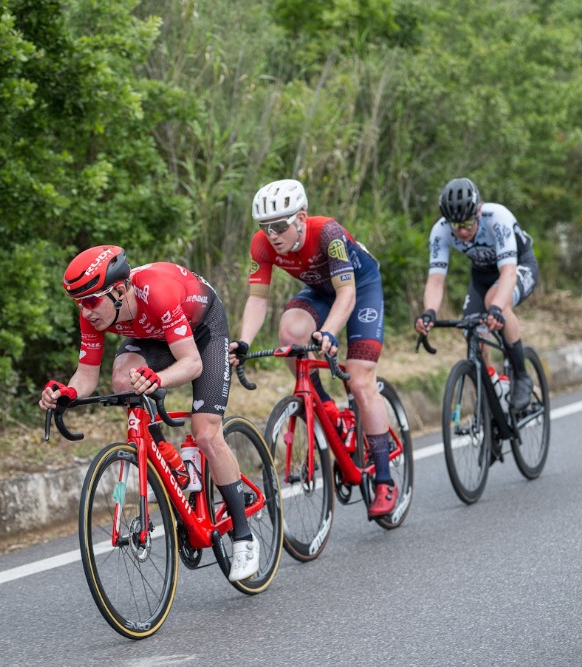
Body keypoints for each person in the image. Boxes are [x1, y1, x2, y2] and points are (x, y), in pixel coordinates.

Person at [39, 245, 260, 582]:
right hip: (154, 337)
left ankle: (244, 537)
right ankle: (169, 459)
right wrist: (65, 394)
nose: (85, 312)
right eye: (78, 304)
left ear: (120, 290)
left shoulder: (155, 292)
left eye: (90, 301)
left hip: (202, 334)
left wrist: (159, 379)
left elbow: (192, 363)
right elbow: (86, 377)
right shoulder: (94, 314)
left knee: (205, 432)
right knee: (122, 377)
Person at [229, 179, 398, 519]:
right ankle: (325, 407)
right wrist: (244, 341)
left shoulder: (328, 234)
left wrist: (330, 332)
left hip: (360, 288)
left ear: (301, 218)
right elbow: (257, 300)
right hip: (321, 291)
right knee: (290, 335)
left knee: (361, 380)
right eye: (265, 227)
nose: (272, 234)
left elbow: (347, 294)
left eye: (280, 225)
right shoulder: (262, 245)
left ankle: (384, 479)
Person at [413, 177, 539, 409]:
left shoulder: (497, 218)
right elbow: (436, 280)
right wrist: (429, 311)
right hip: (482, 276)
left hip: (519, 266)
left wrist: (496, 308)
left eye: (467, 223)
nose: (461, 231)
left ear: (478, 212)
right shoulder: (440, 231)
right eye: (455, 225)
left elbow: (509, 273)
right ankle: (494, 393)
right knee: (472, 331)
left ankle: (521, 375)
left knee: (495, 301)